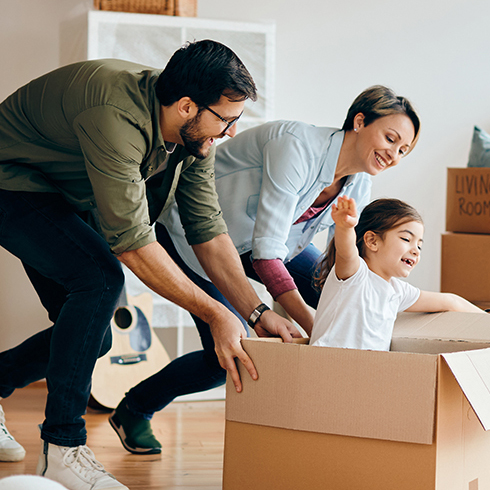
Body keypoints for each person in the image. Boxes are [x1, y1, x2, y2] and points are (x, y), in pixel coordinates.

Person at [0, 40, 299, 490]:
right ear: (185, 106)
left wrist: (256, 313)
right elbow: (134, 244)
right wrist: (216, 313)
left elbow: (207, 230)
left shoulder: (194, 137)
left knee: (94, 340)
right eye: (227, 118)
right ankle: (63, 448)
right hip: (11, 179)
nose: (233, 131)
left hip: (61, 194)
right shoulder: (114, 114)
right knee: (100, 278)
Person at [109, 85, 422, 455]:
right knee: (224, 353)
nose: (394, 154)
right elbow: (266, 254)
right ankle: (134, 409)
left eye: (403, 150)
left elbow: (349, 267)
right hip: (197, 236)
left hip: (270, 247)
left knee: (344, 296)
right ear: (359, 121)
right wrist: (315, 328)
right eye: (390, 138)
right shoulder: (296, 146)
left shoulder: (361, 183)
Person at [309, 197, 485, 350]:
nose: (416, 251)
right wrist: (345, 227)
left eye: (419, 245)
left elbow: (450, 301)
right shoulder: (355, 274)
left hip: (365, 375)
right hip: (327, 367)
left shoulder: (398, 292)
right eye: (406, 239)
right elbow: (346, 251)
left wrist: (486, 320)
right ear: (372, 241)